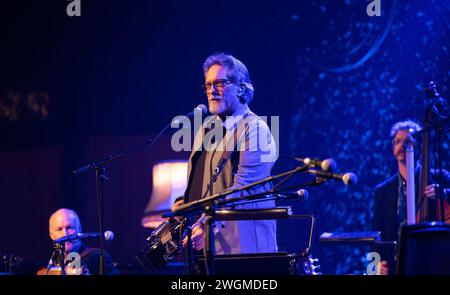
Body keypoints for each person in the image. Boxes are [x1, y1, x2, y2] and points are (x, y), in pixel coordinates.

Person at [172, 53, 278, 255]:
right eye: (208, 85)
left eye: (220, 83)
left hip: (245, 250)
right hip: (208, 249)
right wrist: (184, 209)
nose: (212, 91)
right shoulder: (206, 129)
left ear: (241, 88)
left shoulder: (256, 129)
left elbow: (243, 188)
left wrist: (204, 224)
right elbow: (199, 186)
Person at [372, 120, 450, 275]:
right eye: (397, 141)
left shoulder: (439, 177)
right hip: (396, 266)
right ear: (393, 147)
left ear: (419, 146)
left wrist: (445, 193)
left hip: (433, 261)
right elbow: (375, 236)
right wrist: (373, 267)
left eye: (408, 141)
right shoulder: (382, 191)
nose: (402, 146)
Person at [38, 208, 117, 275]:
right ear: (51, 234)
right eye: (59, 229)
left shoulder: (98, 257)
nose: (65, 234)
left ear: (79, 229)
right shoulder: (51, 263)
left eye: (69, 228)